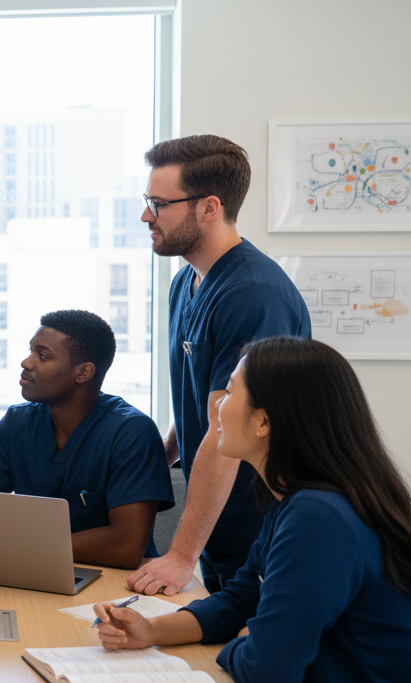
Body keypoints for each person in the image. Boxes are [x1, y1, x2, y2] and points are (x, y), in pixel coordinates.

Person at [93, 337, 411, 683]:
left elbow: (267, 673)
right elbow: (239, 602)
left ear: (263, 422)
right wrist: (152, 633)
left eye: (229, 391)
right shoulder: (296, 500)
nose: (217, 406)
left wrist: (244, 644)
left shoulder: (319, 516)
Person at [126, 135, 310, 596]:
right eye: (147, 200)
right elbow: (200, 395)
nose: (146, 215)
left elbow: (224, 426)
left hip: (260, 534)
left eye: (159, 204)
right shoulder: (187, 279)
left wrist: (181, 555)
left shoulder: (252, 297)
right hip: (218, 529)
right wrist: (162, 455)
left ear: (209, 207)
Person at [0, 310, 173, 569]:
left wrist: (16, 544)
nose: (26, 363)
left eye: (42, 356)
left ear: (83, 372)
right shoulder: (16, 422)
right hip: (33, 567)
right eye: (30, 351)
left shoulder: (132, 432)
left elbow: (126, 547)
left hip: (113, 581)